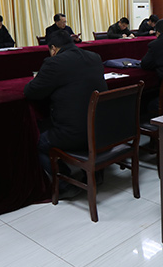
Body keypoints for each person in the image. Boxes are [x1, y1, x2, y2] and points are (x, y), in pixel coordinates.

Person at [23, 30, 107, 198]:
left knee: (36, 140)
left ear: (53, 48)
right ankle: (96, 175)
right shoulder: (94, 57)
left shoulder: (54, 63)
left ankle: (64, 183)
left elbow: (30, 92)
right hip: (102, 130)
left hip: (76, 134)